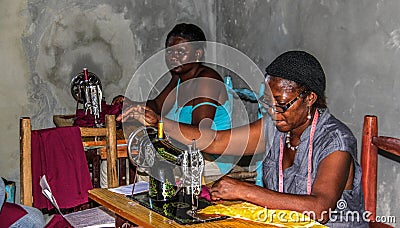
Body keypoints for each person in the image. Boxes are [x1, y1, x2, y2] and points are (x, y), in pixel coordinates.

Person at [122, 50, 367, 227]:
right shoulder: (275, 127)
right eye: (268, 104)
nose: (273, 112)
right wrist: (160, 122)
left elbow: (320, 209)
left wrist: (244, 191)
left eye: (281, 105)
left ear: (310, 98)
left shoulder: (335, 141)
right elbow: (216, 141)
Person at [119, 23, 237, 177]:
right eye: (169, 52)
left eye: (181, 52)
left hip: (210, 158)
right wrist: (132, 105)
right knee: (134, 162)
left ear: (198, 54)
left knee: (146, 170)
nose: (173, 57)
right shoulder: (179, 78)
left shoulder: (206, 81)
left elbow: (200, 135)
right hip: (186, 153)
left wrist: (160, 123)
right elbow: (158, 105)